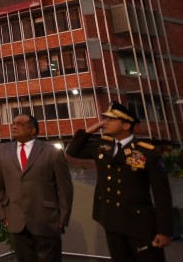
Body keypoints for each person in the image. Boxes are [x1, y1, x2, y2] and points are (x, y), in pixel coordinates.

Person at [66, 102, 172, 261]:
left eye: (111, 119)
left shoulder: (145, 152)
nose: (105, 122)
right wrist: (90, 129)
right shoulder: (103, 146)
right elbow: (73, 150)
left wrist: (164, 231)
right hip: (111, 219)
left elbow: (162, 194)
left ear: (126, 125)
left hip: (139, 222)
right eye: (106, 119)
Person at [0, 113, 72, 262]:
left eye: (20, 124)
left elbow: (65, 189)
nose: (14, 126)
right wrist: (3, 214)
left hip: (47, 220)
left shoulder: (52, 152)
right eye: (14, 123)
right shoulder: (1, 152)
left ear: (33, 130)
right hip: (16, 221)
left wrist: (62, 219)